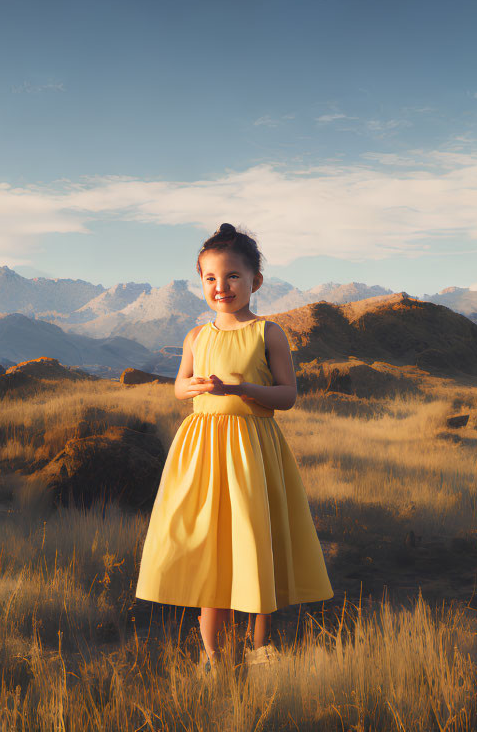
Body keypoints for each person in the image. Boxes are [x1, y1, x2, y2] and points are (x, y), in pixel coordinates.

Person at [134, 223, 333, 670]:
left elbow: (287, 396)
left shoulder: (268, 333)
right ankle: (214, 659)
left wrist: (242, 390)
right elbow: (180, 387)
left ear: (254, 282)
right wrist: (192, 388)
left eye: (232, 277)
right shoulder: (195, 336)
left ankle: (262, 652)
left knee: (253, 542)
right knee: (210, 550)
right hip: (200, 454)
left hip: (250, 453)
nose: (220, 287)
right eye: (210, 279)